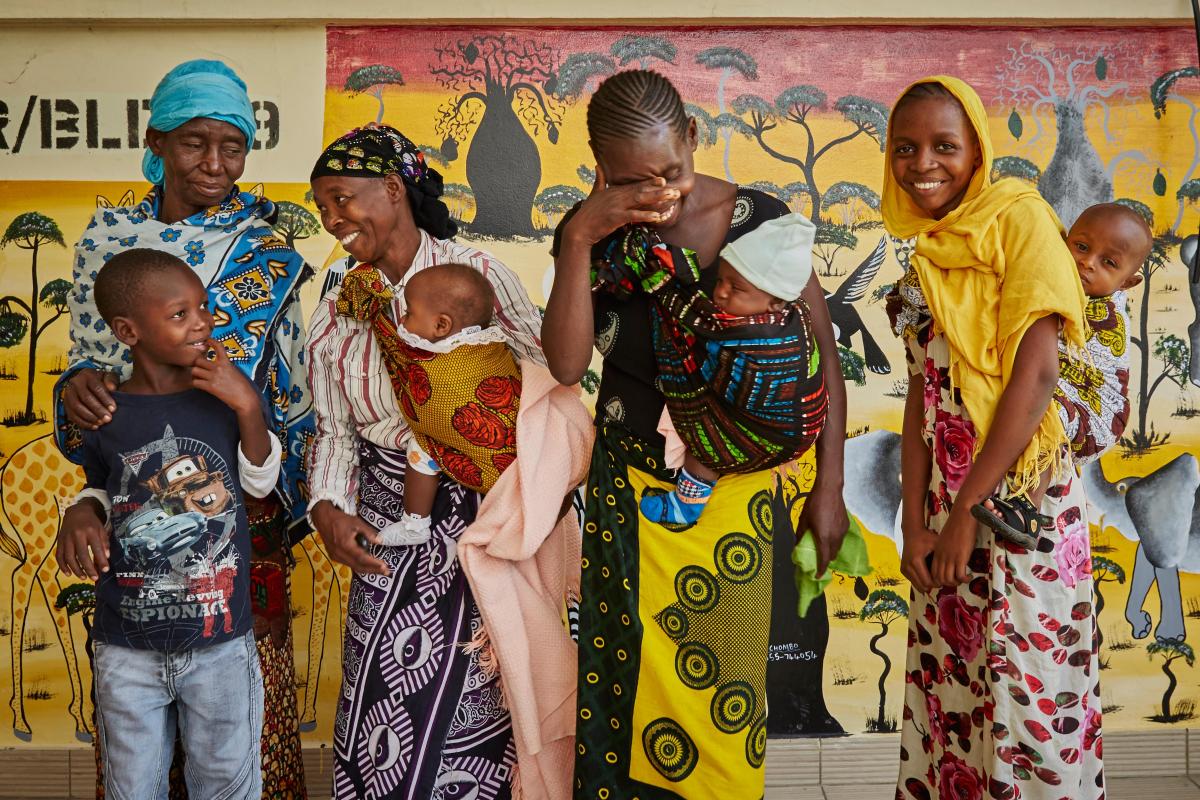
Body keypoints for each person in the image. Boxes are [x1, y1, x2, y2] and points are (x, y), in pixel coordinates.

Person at [542, 69, 849, 799]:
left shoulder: (761, 222)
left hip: (730, 489)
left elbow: (824, 361)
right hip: (629, 485)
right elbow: (564, 363)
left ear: (693, 138)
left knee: (721, 687)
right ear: (599, 171)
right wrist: (582, 235)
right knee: (623, 679)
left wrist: (829, 487)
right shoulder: (594, 233)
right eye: (629, 182)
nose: (658, 195)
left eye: (671, 171)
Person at [52, 59, 313, 797]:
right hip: (134, 509)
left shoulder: (267, 251)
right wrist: (77, 392)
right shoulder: (107, 243)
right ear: (156, 141)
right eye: (197, 142)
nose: (215, 163)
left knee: (232, 726)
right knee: (137, 710)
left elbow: (288, 386)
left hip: (237, 506)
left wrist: (275, 463)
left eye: (233, 146)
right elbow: (88, 369)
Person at [304, 124, 544, 798]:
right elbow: (333, 433)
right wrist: (328, 510)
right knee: (381, 691)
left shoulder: (478, 276)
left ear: (392, 188)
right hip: (387, 522)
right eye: (322, 207)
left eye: (343, 198)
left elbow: (549, 379)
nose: (333, 219)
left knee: (486, 697)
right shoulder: (336, 313)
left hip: (488, 520)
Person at [883, 76, 1102, 798]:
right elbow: (924, 395)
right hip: (947, 518)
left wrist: (964, 519)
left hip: (1013, 517)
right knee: (955, 708)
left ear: (978, 149)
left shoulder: (1019, 221)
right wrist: (915, 524)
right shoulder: (927, 251)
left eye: (945, 146)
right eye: (906, 148)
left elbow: (1033, 381)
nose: (924, 165)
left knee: (1030, 713)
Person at [59, 248, 276, 799]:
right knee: (133, 788)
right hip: (125, 646)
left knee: (228, 786)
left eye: (202, 307)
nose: (202, 322)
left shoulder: (226, 396)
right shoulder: (106, 410)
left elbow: (258, 483)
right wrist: (81, 509)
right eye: (180, 314)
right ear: (127, 330)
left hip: (221, 641)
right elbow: (105, 488)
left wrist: (248, 406)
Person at [590, 214, 827, 526]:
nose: (721, 293)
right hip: (799, 424)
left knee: (708, 437)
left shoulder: (762, 337)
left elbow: (698, 325)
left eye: (736, 288)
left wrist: (664, 288)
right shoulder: (785, 313)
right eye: (721, 280)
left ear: (776, 303)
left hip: (778, 430)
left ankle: (686, 505)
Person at [969, 202, 1151, 547]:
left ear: (1128, 281)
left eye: (1107, 262)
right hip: (1069, 390)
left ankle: (1027, 510)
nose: (1087, 262)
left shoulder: (1104, 312)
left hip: (1097, 410)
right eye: (1081, 247)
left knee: (1044, 412)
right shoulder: (1057, 284)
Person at [372, 263, 521, 545]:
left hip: (508, 457)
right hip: (519, 474)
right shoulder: (487, 343)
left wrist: (377, 317)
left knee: (422, 447)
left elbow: (412, 374)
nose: (401, 321)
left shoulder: (473, 358)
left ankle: (414, 525)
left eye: (408, 313)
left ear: (442, 325)